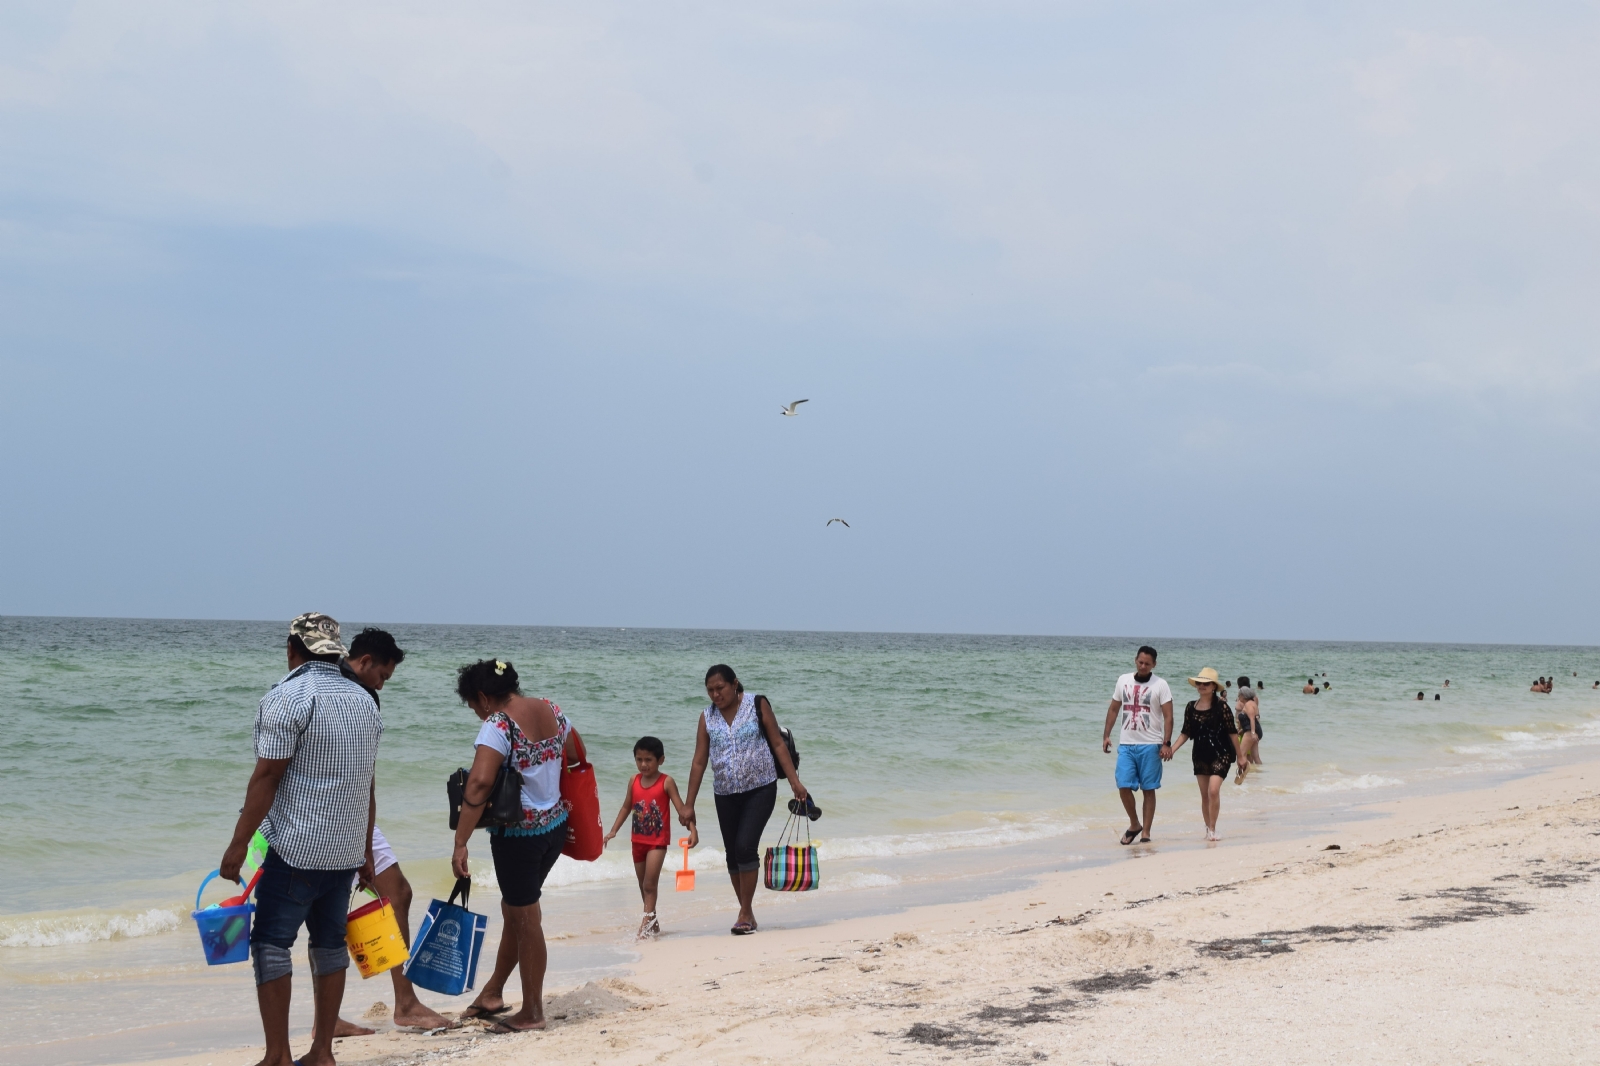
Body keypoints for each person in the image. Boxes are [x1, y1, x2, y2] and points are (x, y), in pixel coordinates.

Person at [219, 614, 382, 1066]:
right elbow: (367, 785)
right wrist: (366, 850)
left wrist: (238, 845)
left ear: (293, 649)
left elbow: (267, 776)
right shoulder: (365, 701)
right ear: (335, 652)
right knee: (329, 945)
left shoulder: (288, 696)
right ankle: (323, 1053)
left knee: (271, 943)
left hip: (296, 849)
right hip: (345, 851)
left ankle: (277, 1057)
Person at [325, 629, 452, 1036]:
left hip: (347, 809)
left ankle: (402, 1003)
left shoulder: (336, 685)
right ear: (364, 662)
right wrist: (363, 844)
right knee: (336, 910)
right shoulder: (352, 694)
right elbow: (366, 776)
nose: (382, 685)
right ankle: (397, 1005)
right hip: (335, 814)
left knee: (395, 893)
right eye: (382, 676)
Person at [452, 659, 582, 1033]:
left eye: (475, 707)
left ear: (483, 697)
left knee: (526, 919)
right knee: (516, 910)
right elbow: (575, 754)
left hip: (518, 838)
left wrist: (460, 842)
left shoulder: (498, 725)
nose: (478, 715)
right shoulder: (551, 709)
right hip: (555, 827)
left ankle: (532, 1012)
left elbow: (477, 785)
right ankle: (493, 991)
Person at [682, 665, 807, 935]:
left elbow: (776, 744)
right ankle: (746, 912)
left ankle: (745, 912)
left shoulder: (757, 704)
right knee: (732, 855)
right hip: (725, 792)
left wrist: (794, 782)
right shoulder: (706, 718)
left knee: (745, 847)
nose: (716, 695)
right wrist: (688, 803)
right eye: (710, 690)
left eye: (720, 688)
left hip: (761, 787)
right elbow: (699, 761)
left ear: (734, 683)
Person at [603, 737, 696, 939]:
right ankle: (653, 922)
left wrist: (692, 829)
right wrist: (613, 830)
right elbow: (627, 806)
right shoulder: (633, 781)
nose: (643, 764)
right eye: (639, 759)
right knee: (643, 886)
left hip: (657, 842)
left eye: (648, 760)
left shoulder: (666, 782)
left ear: (660, 760)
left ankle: (645, 926)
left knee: (649, 885)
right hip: (637, 842)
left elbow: (681, 809)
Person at [1101, 646, 1173, 845]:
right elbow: (1114, 709)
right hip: (1126, 744)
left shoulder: (1161, 685)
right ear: (1135, 660)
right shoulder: (1123, 680)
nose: (1143, 666)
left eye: (1147, 664)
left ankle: (1146, 832)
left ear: (1154, 665)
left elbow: (1168, 716)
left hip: (1151, 745)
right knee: (1123, 785)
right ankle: (1134, 824)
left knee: (1148, 789)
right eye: (1140, 662)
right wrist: (1106, 735)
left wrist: (1166, 743)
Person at [1169, 667, 1240, 842]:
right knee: (1204, 795)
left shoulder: (1222, 706)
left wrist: (1241, 756)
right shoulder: (1190, 707)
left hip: (1221, 753)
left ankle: (1213, 829)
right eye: (1199, 683)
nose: (1202, 686)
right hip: (1200, 755)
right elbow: (1186, 732)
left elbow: (1232, 732)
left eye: (1206, 683)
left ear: (1213, 686)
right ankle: (1208, 829)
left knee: (1213, 791)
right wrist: (1172, 749)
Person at [1233, 676, 1263, 784]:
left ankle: (1241, 776)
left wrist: (1253, 733)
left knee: (1241, 754)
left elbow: (1252, 718)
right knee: (1255, 755)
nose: (1238, 696)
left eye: (1239, 695)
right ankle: (1259, 775)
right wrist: (1242, 730)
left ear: (1243, 695)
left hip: (1251, 731)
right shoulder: (1251, 703)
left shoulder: (1249, 705)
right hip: (1250, 730)